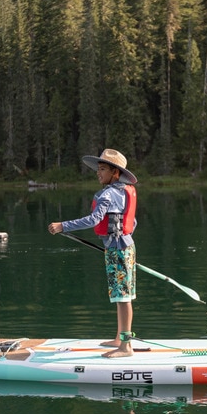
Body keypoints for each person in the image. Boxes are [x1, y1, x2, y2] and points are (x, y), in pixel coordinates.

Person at [48, 149, 138, 358]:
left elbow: (93, 220)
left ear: (115, 172)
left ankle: (126, 346)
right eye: (98, 169)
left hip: (118, 250)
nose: (98, 173)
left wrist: (64, 226)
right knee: (121, 295)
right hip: (126, 248)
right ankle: (120, 337)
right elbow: (132, 222)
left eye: (103, 169)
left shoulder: (108, 194)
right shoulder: (125, 190)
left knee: (123, 297)